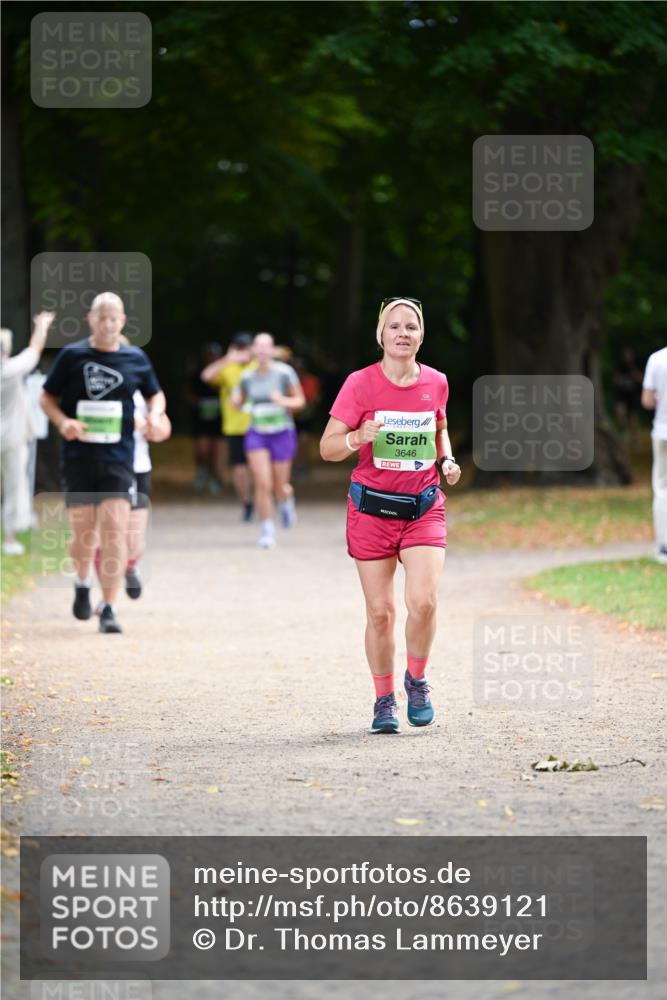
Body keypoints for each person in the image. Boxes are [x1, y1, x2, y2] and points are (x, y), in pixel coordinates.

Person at [320, 297, 461, 733]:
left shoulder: (436, 381)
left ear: (421, 335)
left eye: (411, 327)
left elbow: (439, 427)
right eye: (394, 326)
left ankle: (416, 681)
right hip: (372, 511)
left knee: (424, 602)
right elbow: (326, 447)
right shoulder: (360, 384)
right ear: (380, 335)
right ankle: (384, 700)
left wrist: (447, 460)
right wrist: (357, 437)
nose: (403, 333)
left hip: (422, 507)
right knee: (380, 613)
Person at [40, 292, 166, 634]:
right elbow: (47, 397)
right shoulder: (73, 355)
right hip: (79, 458)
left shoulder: (136, 358)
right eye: (102, 317)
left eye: (115, 318)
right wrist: (62, 421)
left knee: (114, 532)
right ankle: (82, 583)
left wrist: (155, 415)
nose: (108, 323)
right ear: (90, 319)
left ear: (123, 321)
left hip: (119, 459)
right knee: (84, 533)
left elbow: (156, 393)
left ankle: (108, 606)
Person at [233, 332, 305, 548]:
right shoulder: (247, 376)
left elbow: (300, 401)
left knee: (278, 485)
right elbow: (239, 400)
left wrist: (281, 400)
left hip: (282, 432)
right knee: (262, 482)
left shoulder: (285, 373)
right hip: (257, 433)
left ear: (273, 350)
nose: (263, 351)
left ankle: (286, 501)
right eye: (259, 346)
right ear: (254, 350)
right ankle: (267, 530)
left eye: (267, 347)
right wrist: (237, 402)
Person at [1, 312, 54, 554]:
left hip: (11, 437)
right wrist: (42, 325)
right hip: (11, 438)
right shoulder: (10, 369)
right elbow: (35, 348)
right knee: (14, 487)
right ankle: (10, 538)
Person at [201, 332, 255, 520]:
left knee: (257, 467)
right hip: (234, 427)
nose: (242, 352)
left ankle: (261, 498)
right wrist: (227, 359)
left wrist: (254, 355)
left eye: (245, 347)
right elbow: (206, 376)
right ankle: (247, 502)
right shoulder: (228, 367)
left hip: (257, 426)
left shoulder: (257, 365)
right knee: (239, 469)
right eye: (238, 348)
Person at [185, 343, 225, 495]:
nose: (212, 358)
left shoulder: (224, 374)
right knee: (202, 449)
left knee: (216, 451)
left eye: (215, 355)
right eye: (209, 355)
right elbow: (188, 393)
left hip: (219, 418)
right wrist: (198, 402)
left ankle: (215, 478)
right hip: (201, 418)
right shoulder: (197, 375)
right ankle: (203, 470)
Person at [641, 343, 667, 564]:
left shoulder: (656, 359)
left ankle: (664, 546)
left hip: (662, 431)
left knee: (662, 488)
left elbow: (647, 401)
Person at [613, 346, 643, 448]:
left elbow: (641, 379)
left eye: (629, 354)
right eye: (625, 354)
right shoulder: (619, 365)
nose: (627, 357)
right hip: (622, 394)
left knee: (633, 419)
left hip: (633, 395)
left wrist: (634, 374)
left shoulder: (636, 365)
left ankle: (635, 440)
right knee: (620, 413)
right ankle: (623, 433)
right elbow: (615, 380)